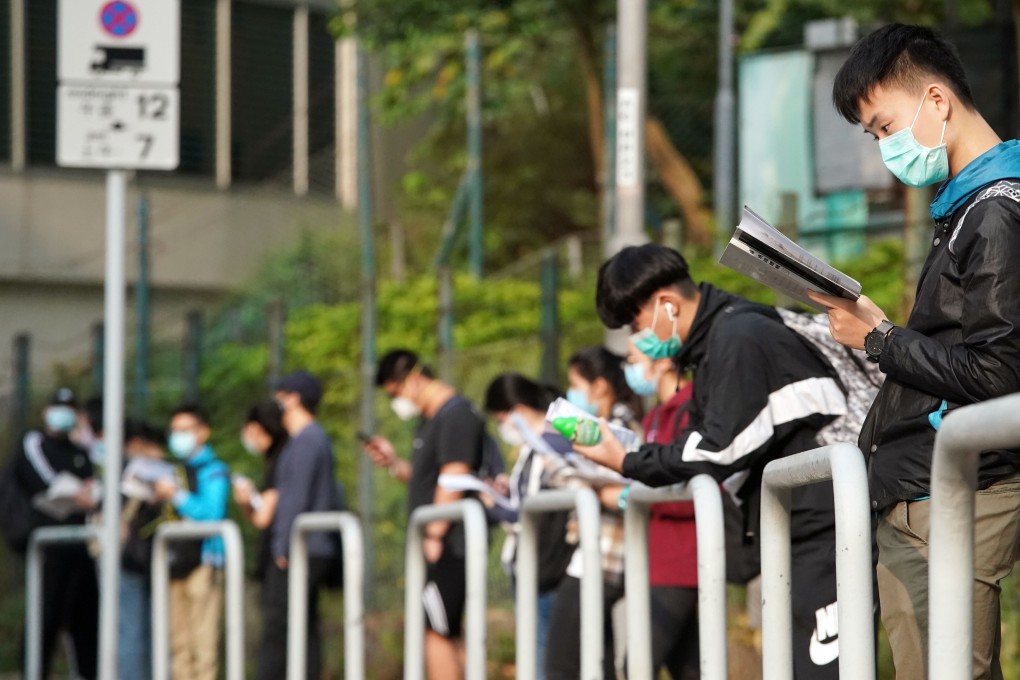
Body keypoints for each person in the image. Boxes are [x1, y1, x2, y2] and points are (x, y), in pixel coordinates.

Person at [815, 24, 1020, 679]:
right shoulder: (964, 210)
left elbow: (999, 372)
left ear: (937, 101)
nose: (884, 150)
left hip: (960, 488)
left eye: (885, 127)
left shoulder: (994, 214)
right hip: (916, 488)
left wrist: (880, 339)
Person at [577, 244, 850, 679]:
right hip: (802, 533)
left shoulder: (738, 337)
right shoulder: (717, 341)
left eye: (635, 323)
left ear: (666, 304)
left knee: (823, 670)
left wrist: (627, 459)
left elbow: (716, 448)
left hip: (828, 530)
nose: (635, 339)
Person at [362, 350, 486, 680]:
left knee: (436, 630)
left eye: (394, 392)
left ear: (414, 379)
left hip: (450, 543)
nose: (395, 402)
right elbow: (427, 479)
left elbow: (454, 475)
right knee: (443, 627)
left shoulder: (456, 415)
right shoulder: (430, 421)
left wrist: (435, 533)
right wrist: (393, 463)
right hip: (440, 538)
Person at [544, 346, 640, 680]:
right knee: (599, 660)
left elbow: (618, 486)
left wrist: (557, 465)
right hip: (594, 555)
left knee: (562, 663)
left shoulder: (620, 426)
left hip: (604, 558)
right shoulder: (616, 422)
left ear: (598, 385)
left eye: (575, 383)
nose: (572, 392)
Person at [482, 373, 575, 680]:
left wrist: (493, 503)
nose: (502, 426)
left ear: (517, 409)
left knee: (543, 662)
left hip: (545, 570)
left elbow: (530, 515)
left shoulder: (549, 444)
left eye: (501, 417)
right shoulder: (535, 445)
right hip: (537, 568)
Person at [251, 374, 343, 680]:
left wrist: (282, 545)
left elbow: (295, 498)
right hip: (306, 548)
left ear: (295, 398)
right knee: (303, 627)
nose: (278, 398)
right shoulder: (306, 440)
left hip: (301, 549)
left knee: (279, 627)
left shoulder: (307, 440)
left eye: (283, 393)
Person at [623, 344, 700, 679]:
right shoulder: (654, 414)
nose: (629, 367)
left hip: (682, 562)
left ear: (666, 360)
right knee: (688, 668)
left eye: (634, 359)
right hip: (657, 561)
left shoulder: (694, 406)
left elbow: (695, 485)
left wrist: (637, 493)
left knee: (637, 664)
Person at [13, 388, 99, 680]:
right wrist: (78, 495)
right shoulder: (34, 442)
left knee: (87, 621)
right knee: (43, 618)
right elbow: (42, 481)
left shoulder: (80, 451)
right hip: (47, 548)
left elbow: (95, 483)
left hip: (79, 545)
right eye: (58, 407)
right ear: (46, 411)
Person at [153, 403, 230, 680]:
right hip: (173, 564)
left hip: (203, 562)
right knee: (178, 646)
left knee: (203, 646)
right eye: (175, 430)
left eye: (186, 430)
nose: (179, 436)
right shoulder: (170, 470)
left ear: (203, 432)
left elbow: (212, 514)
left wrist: (176, 496)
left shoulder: (215, 470)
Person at [118, 421, 171, 680]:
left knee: (144, 632)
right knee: (134, 632)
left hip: (152, 560)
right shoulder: (131, 471)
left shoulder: (163, 471)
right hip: (134, 559)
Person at [233, 400, 287, 582]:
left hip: (279, 558)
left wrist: (245, 502)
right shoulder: (278, 458)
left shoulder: (281, 460)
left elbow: (263, 518)